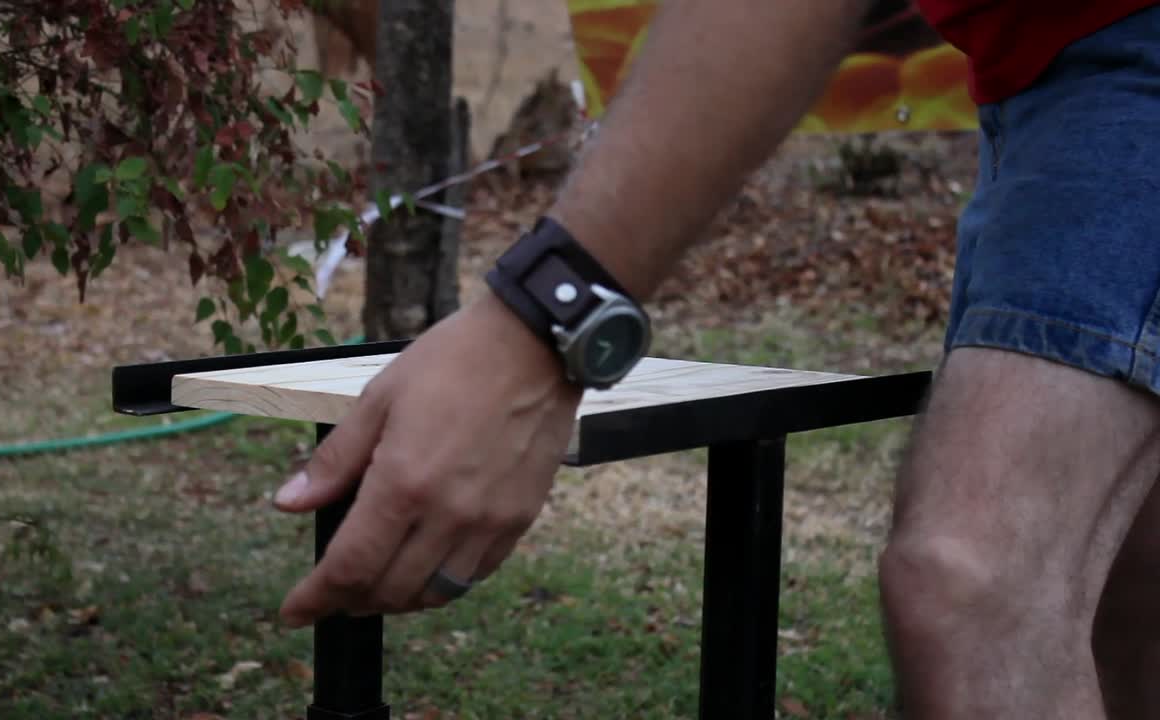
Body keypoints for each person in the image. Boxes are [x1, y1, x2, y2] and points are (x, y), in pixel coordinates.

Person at [269, 1, 1160, 717]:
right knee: (1126, 597)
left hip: (1122, 54)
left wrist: (542, 320)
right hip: (1037, 73)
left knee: (973, 589)